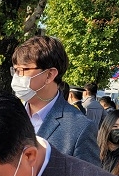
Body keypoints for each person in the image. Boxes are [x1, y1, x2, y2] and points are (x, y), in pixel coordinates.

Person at [11, 35, 100, 167]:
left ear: (49, 74)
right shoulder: (8, 115)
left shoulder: (80, 128)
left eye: (23, 70)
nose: (17, 77)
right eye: (15, 70)